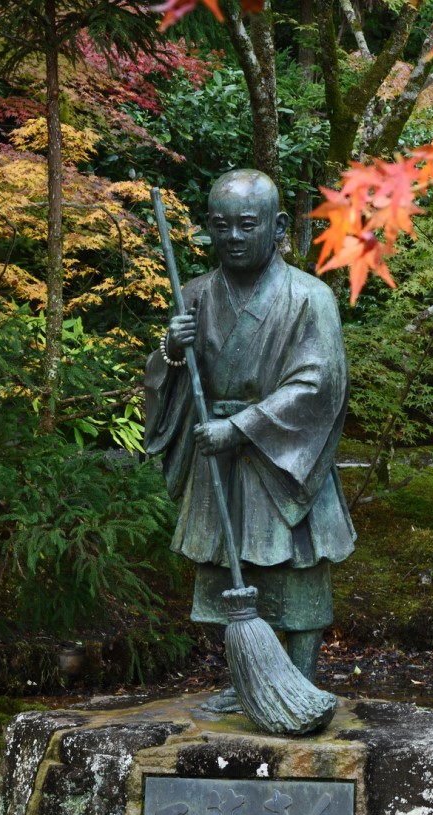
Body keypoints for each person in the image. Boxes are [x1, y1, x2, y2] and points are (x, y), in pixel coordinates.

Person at [143, 169, 355, 713]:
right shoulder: (192, 295)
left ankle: (301, 683)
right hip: (219, 461)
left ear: (277, 226)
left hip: (282, 457)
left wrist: (239, 428)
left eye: (247, 224)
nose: (233, 236)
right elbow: (169, 382)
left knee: (296, 575)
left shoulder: (311, 298)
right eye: (221, 225)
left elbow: (318, 384)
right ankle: (246, 684)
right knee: (225, 576)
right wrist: (170, 349)